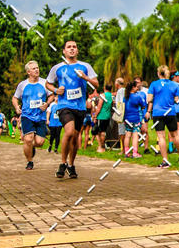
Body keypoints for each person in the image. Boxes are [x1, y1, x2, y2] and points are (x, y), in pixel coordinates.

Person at [46, 40, 98, 179]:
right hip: (64, 105)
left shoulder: (85, 66)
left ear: (77, 50)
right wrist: (56, 90)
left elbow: (96, 83)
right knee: (68, 132)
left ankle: (71, 165)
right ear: (64, 51)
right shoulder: (57, 68)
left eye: (74, 47)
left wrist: (85, 77)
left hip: (80, 107)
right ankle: (62, 163)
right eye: (69, 47)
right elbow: (47, 84)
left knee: (75, 137)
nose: (72, 49)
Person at [12, 61, 52, 170]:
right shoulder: (23, 85)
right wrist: (16, 107)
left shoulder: (44, 83)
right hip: (27, 116)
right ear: (28, 72)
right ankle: (30, 161)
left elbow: (52, 95)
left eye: (37, 68)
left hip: (41, 116)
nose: (37, 70)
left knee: (39, 142)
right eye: (34, 68)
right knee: (28, 139)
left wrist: (47, 104)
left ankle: (31, 147)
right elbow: (15, 98)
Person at [147, 65, 179, 168]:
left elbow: (149, 99)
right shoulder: (174, 85)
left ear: (158, 73)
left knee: (161, 136)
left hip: (158, 113)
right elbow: (176, 99)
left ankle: (165, 161)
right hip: (170, 112)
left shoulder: (154, 84)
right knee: (175, 135)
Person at [123, 80, 148, 157]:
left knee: (127, 135)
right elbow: (143, 105)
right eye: (136, 87)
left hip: (127, 118)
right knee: (135, 135)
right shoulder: (137, 96)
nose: (137, 88)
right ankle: (135, 152)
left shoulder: (125, 97)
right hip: (135, 118)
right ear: (133, 87)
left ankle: (126, 152)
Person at [94, 84, 113, 152]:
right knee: (103, 131)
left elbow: (99, 106)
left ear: (104, 88)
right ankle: (103, 146)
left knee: (98, 132)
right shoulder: (111, 96)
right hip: (107, 115)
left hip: (101, 115)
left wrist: (95, 115)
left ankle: (101, 146)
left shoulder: (103, 95)